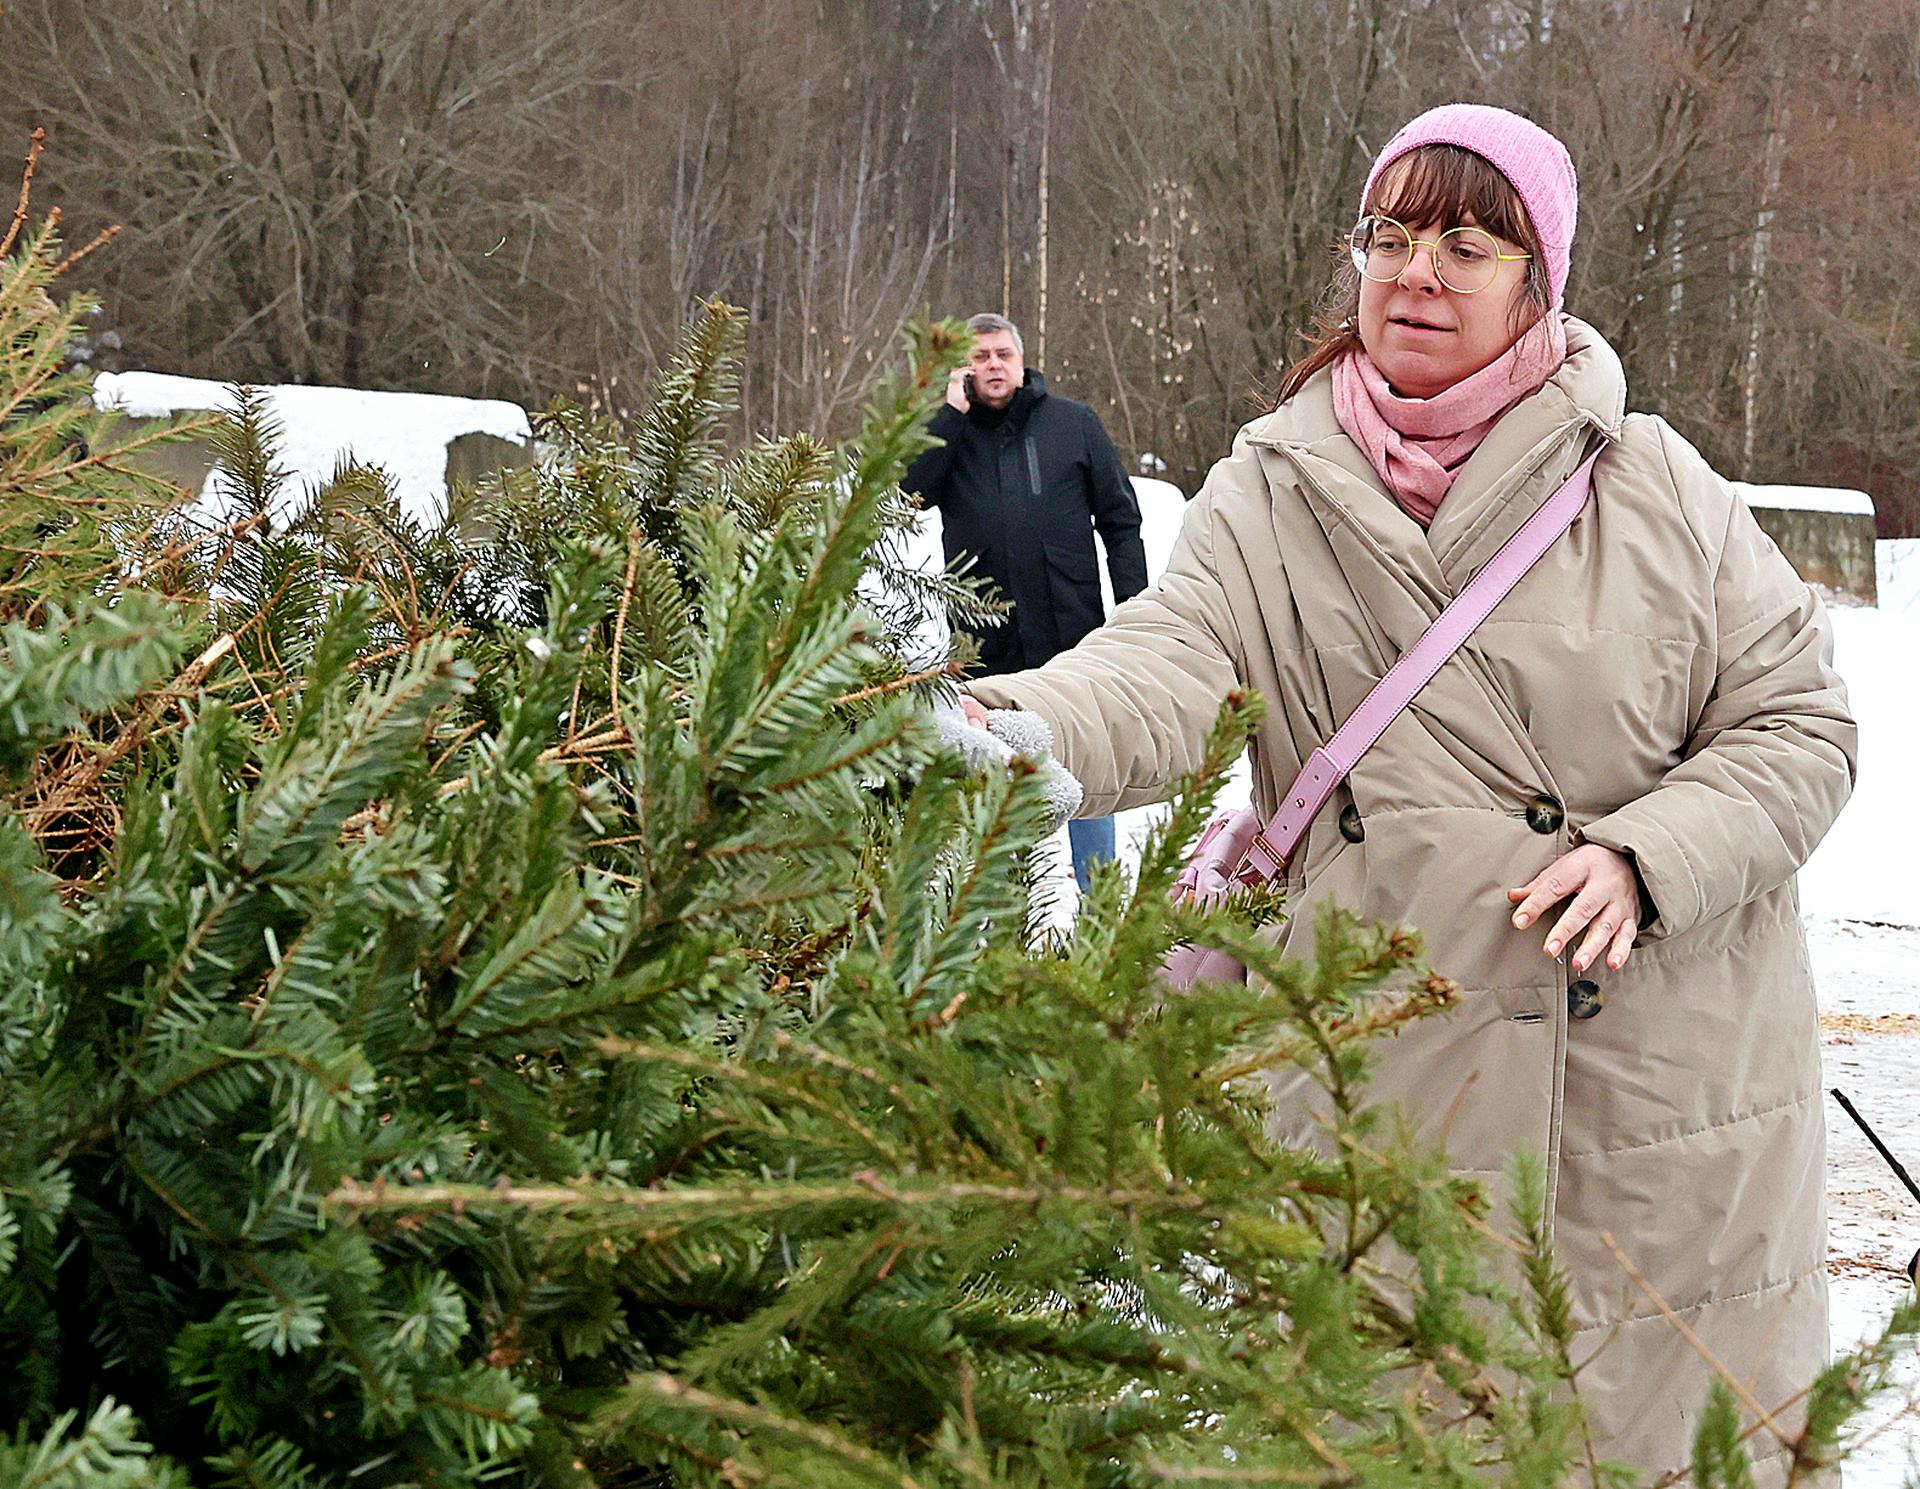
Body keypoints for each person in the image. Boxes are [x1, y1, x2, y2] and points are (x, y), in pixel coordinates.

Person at [959, 104, 1855, 1483]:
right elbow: (1166, 665)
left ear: (1539, 281)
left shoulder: (1654, 484)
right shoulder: (1272, 490)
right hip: (1386, 1075)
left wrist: (1647, 857)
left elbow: (1799, 723)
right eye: (1389, 236)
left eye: (1466, 246)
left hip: (1653, 1101)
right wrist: (1010, 724)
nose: (1417, 273)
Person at [904, 312, 1148, 892]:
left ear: (1021, 361)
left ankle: (1098, 906)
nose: (993, 365)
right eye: (980, 356)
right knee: (999, 783)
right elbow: (909, 495)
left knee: (1087, 767)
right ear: (964, 368)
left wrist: (1133, 612)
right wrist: (949, 415)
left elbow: (1120, 522)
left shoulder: (1073, 424)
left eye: (1002, 354)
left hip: (1074, 636)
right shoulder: (952, 435)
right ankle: (1005, 910)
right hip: (987, 648)